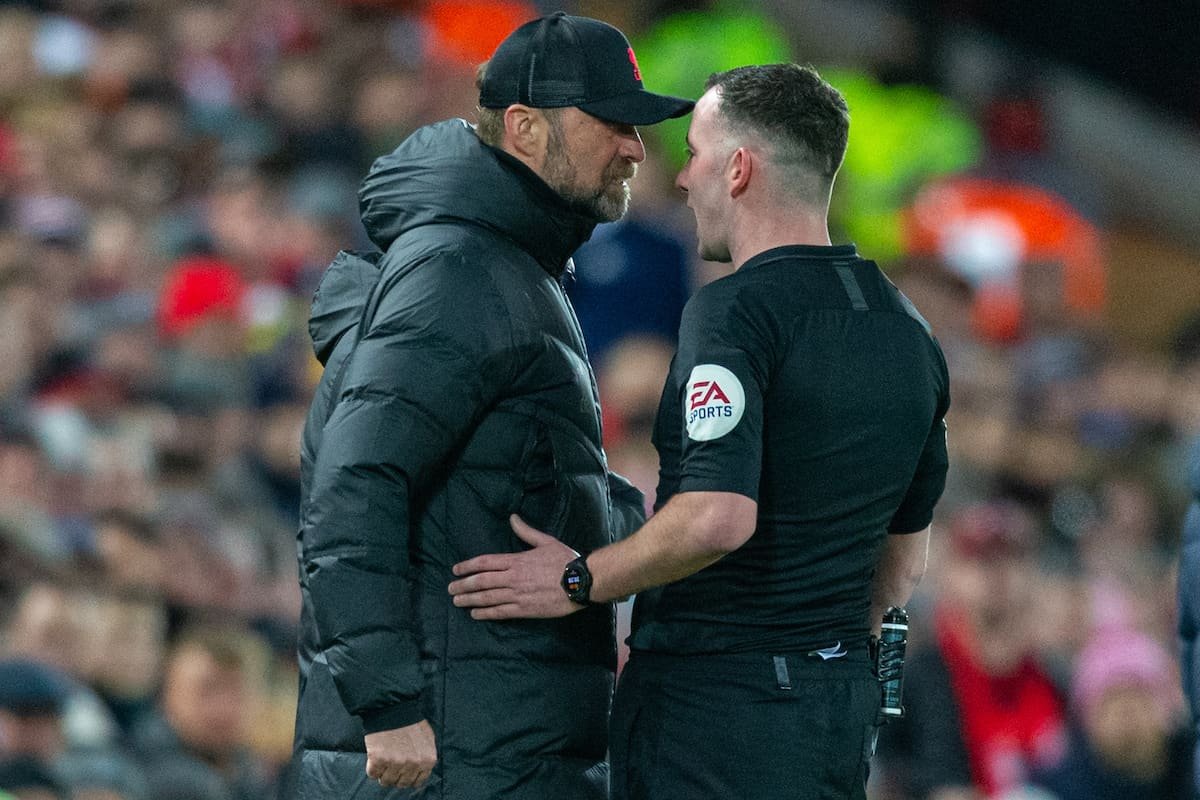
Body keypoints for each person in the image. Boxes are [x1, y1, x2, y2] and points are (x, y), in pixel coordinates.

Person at [450, 63, 950, 799]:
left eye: (693, 153)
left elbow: (717, 516)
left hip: (716, 712)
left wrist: (579, 577)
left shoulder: (734, 314)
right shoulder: (909, 330)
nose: (682, 180)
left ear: (739, 168)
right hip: (837, 710)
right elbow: (901, 567)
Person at [295, 11, 691, 799]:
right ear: (524, 127)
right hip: (443, 756)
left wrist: (622, 548)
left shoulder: (507, 264)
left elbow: (514, 496)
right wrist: (388, 704)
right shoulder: (461, 268)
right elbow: (356, 483)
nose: (634, 148)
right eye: (610, 123)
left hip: (488, 744)